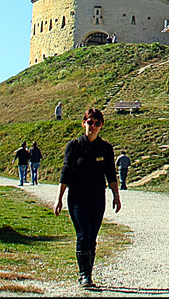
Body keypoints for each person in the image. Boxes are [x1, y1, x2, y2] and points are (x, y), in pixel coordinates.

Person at [54, 108, 121, 290]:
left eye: (97, 123)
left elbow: (111, 174)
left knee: (92, 237)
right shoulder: (74, 146)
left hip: (97, 197)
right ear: (83, 123)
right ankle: (84, 275)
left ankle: (88, 274)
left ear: (101, 126)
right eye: (90, 122)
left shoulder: (105, 148)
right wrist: (59, 198)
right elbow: (66, 172)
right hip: (77, 197)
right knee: (83, 234)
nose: (93, 126)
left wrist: (116, 196)